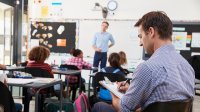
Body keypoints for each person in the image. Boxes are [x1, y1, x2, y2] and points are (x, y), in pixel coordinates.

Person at [92, 11, 195, 112]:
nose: (140, 43)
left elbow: (123, 109)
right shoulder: (188, 67)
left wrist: (113, 93)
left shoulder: (147, 68)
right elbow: (163, 98)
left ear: (151, 32)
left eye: (140, 36)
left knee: (99, 106)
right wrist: (132, 90)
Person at [23, 46, 53, 112]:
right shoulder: (46, 66)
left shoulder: (29, 65)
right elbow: (52, 78)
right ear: (45, 56)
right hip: (44, 89)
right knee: (60, 84)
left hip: (30, 88)